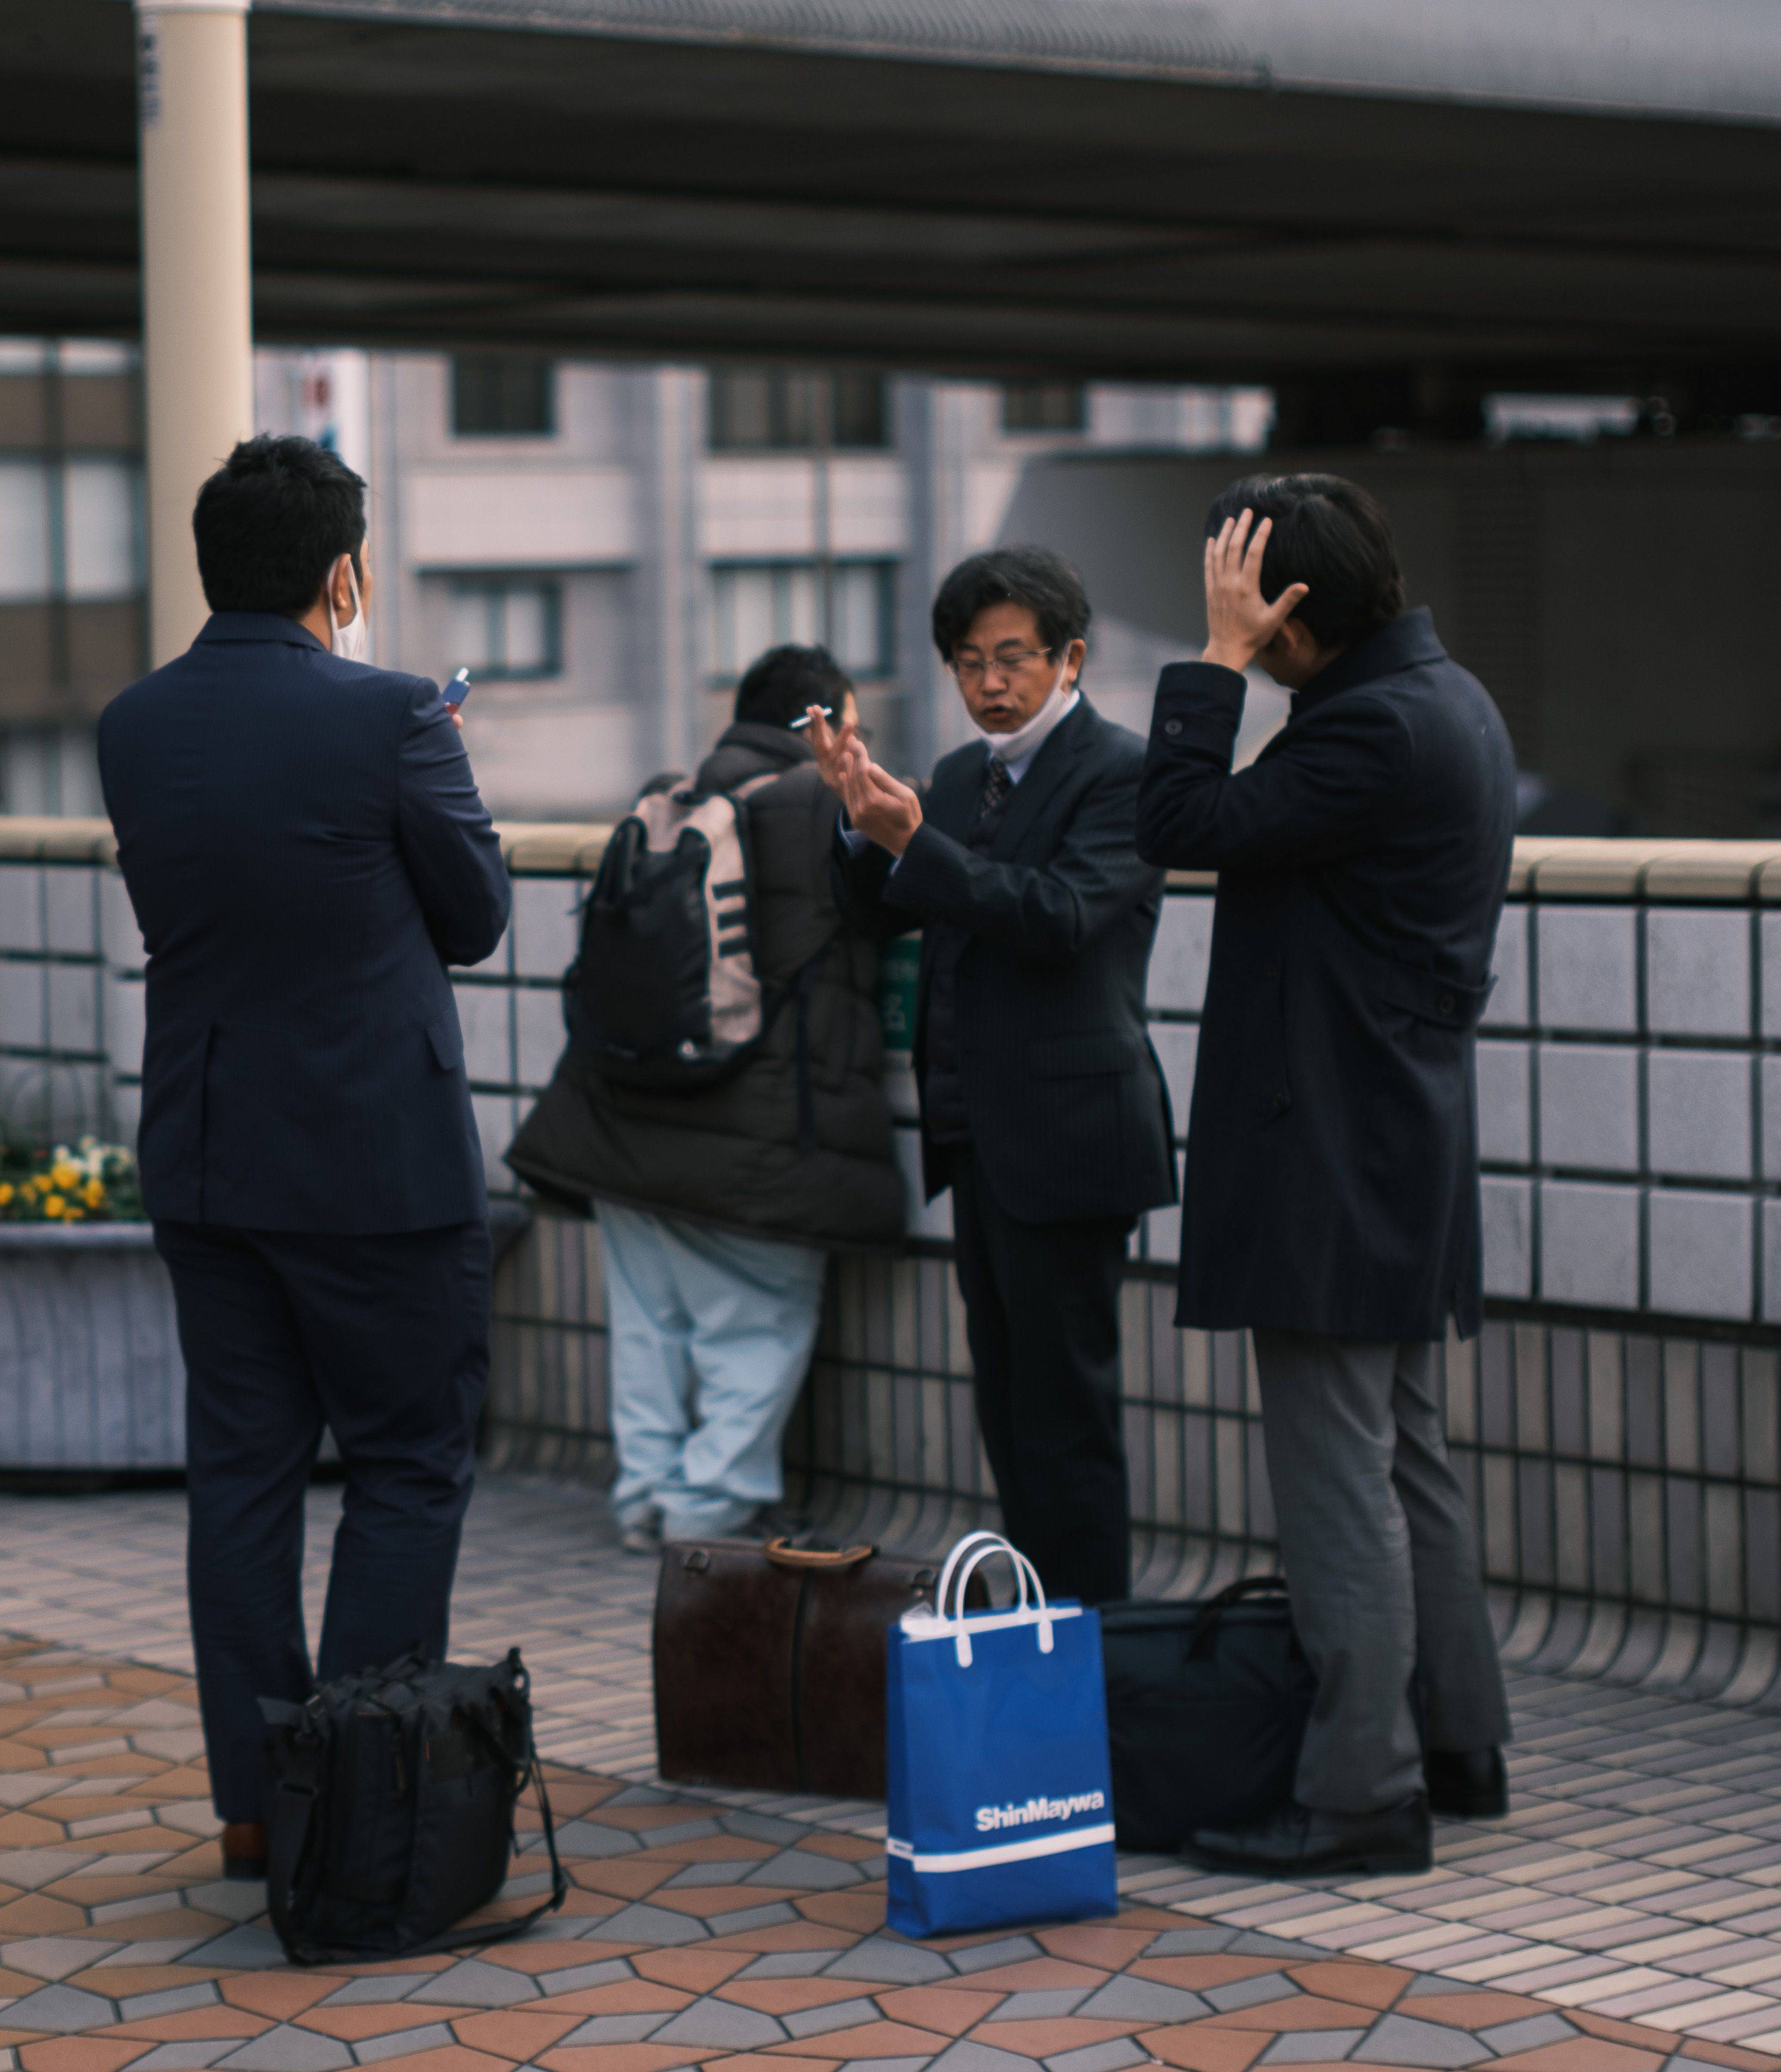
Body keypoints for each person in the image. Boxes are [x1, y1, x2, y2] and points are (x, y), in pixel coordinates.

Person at [97, 434, 512, 1881]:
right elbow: (475, 918)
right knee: (407, 1464)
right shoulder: (397, 715)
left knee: (245, 1477)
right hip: (376, 1167)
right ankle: (367, 1803)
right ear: (346, 575)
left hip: (211, 1157)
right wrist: (432, 744)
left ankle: (259, 1807)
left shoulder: (132, 725)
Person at [1135, 473, 1516, 1881]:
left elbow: (1177, 822)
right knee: (1408, 1456)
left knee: (1338, 1481)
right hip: (1394, 1143)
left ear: (1289, 611)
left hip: (1332, 1156)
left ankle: (1361, 1791)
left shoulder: (1368, 732)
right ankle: (1456, 1746)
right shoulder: (1446, 701)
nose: (1225, 622)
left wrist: (1214, 666)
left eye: (1240, 600)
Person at [813, 548, 1173, 1606]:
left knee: (1067, 1416)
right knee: (1008, 1408)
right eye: (968, 661)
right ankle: (1035, 1628)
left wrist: (912, 837)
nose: (990, 683)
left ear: (1072, 657)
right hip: (974, 1133)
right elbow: (886, 909)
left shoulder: (1126, 770)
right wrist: (854, 820)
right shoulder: (965, 775)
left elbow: (1057, 915)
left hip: (1071, 1137)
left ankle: (1093, 1641)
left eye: (1013, 657)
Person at [506, 644, 905, 1554]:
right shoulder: (820, 806)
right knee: (758, 1324)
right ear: (827, 726)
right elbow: (901, 890)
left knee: (652, 1332)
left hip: (624, 1126)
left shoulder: (672, 800)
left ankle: (645, 1496)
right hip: (751, 1145)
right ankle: (706, 1511)